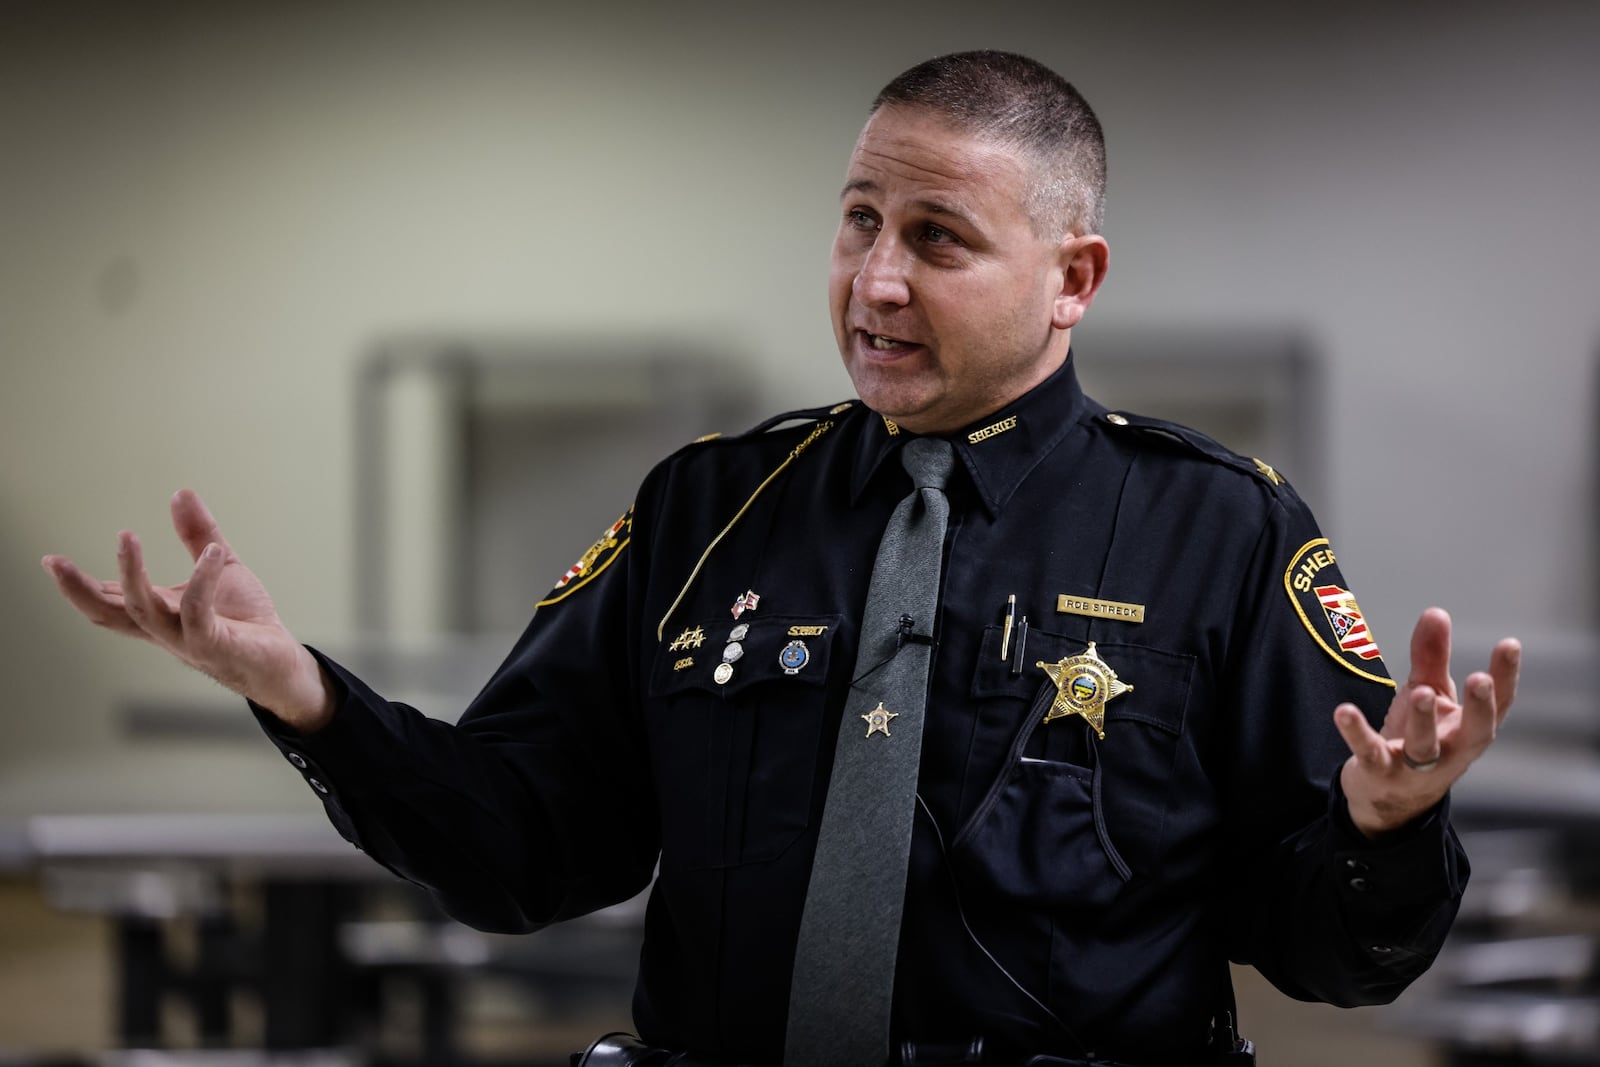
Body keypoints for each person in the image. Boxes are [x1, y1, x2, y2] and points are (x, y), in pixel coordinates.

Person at [43, 51, 1519, 1067]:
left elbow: (1334, 957)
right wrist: (304, 694)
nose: (876, 279)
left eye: (938, 238)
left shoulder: (1219, 527)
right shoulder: (709, 510)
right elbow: (520, 852)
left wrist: (1386, 829)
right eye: (860, 221)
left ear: (1073, 279)